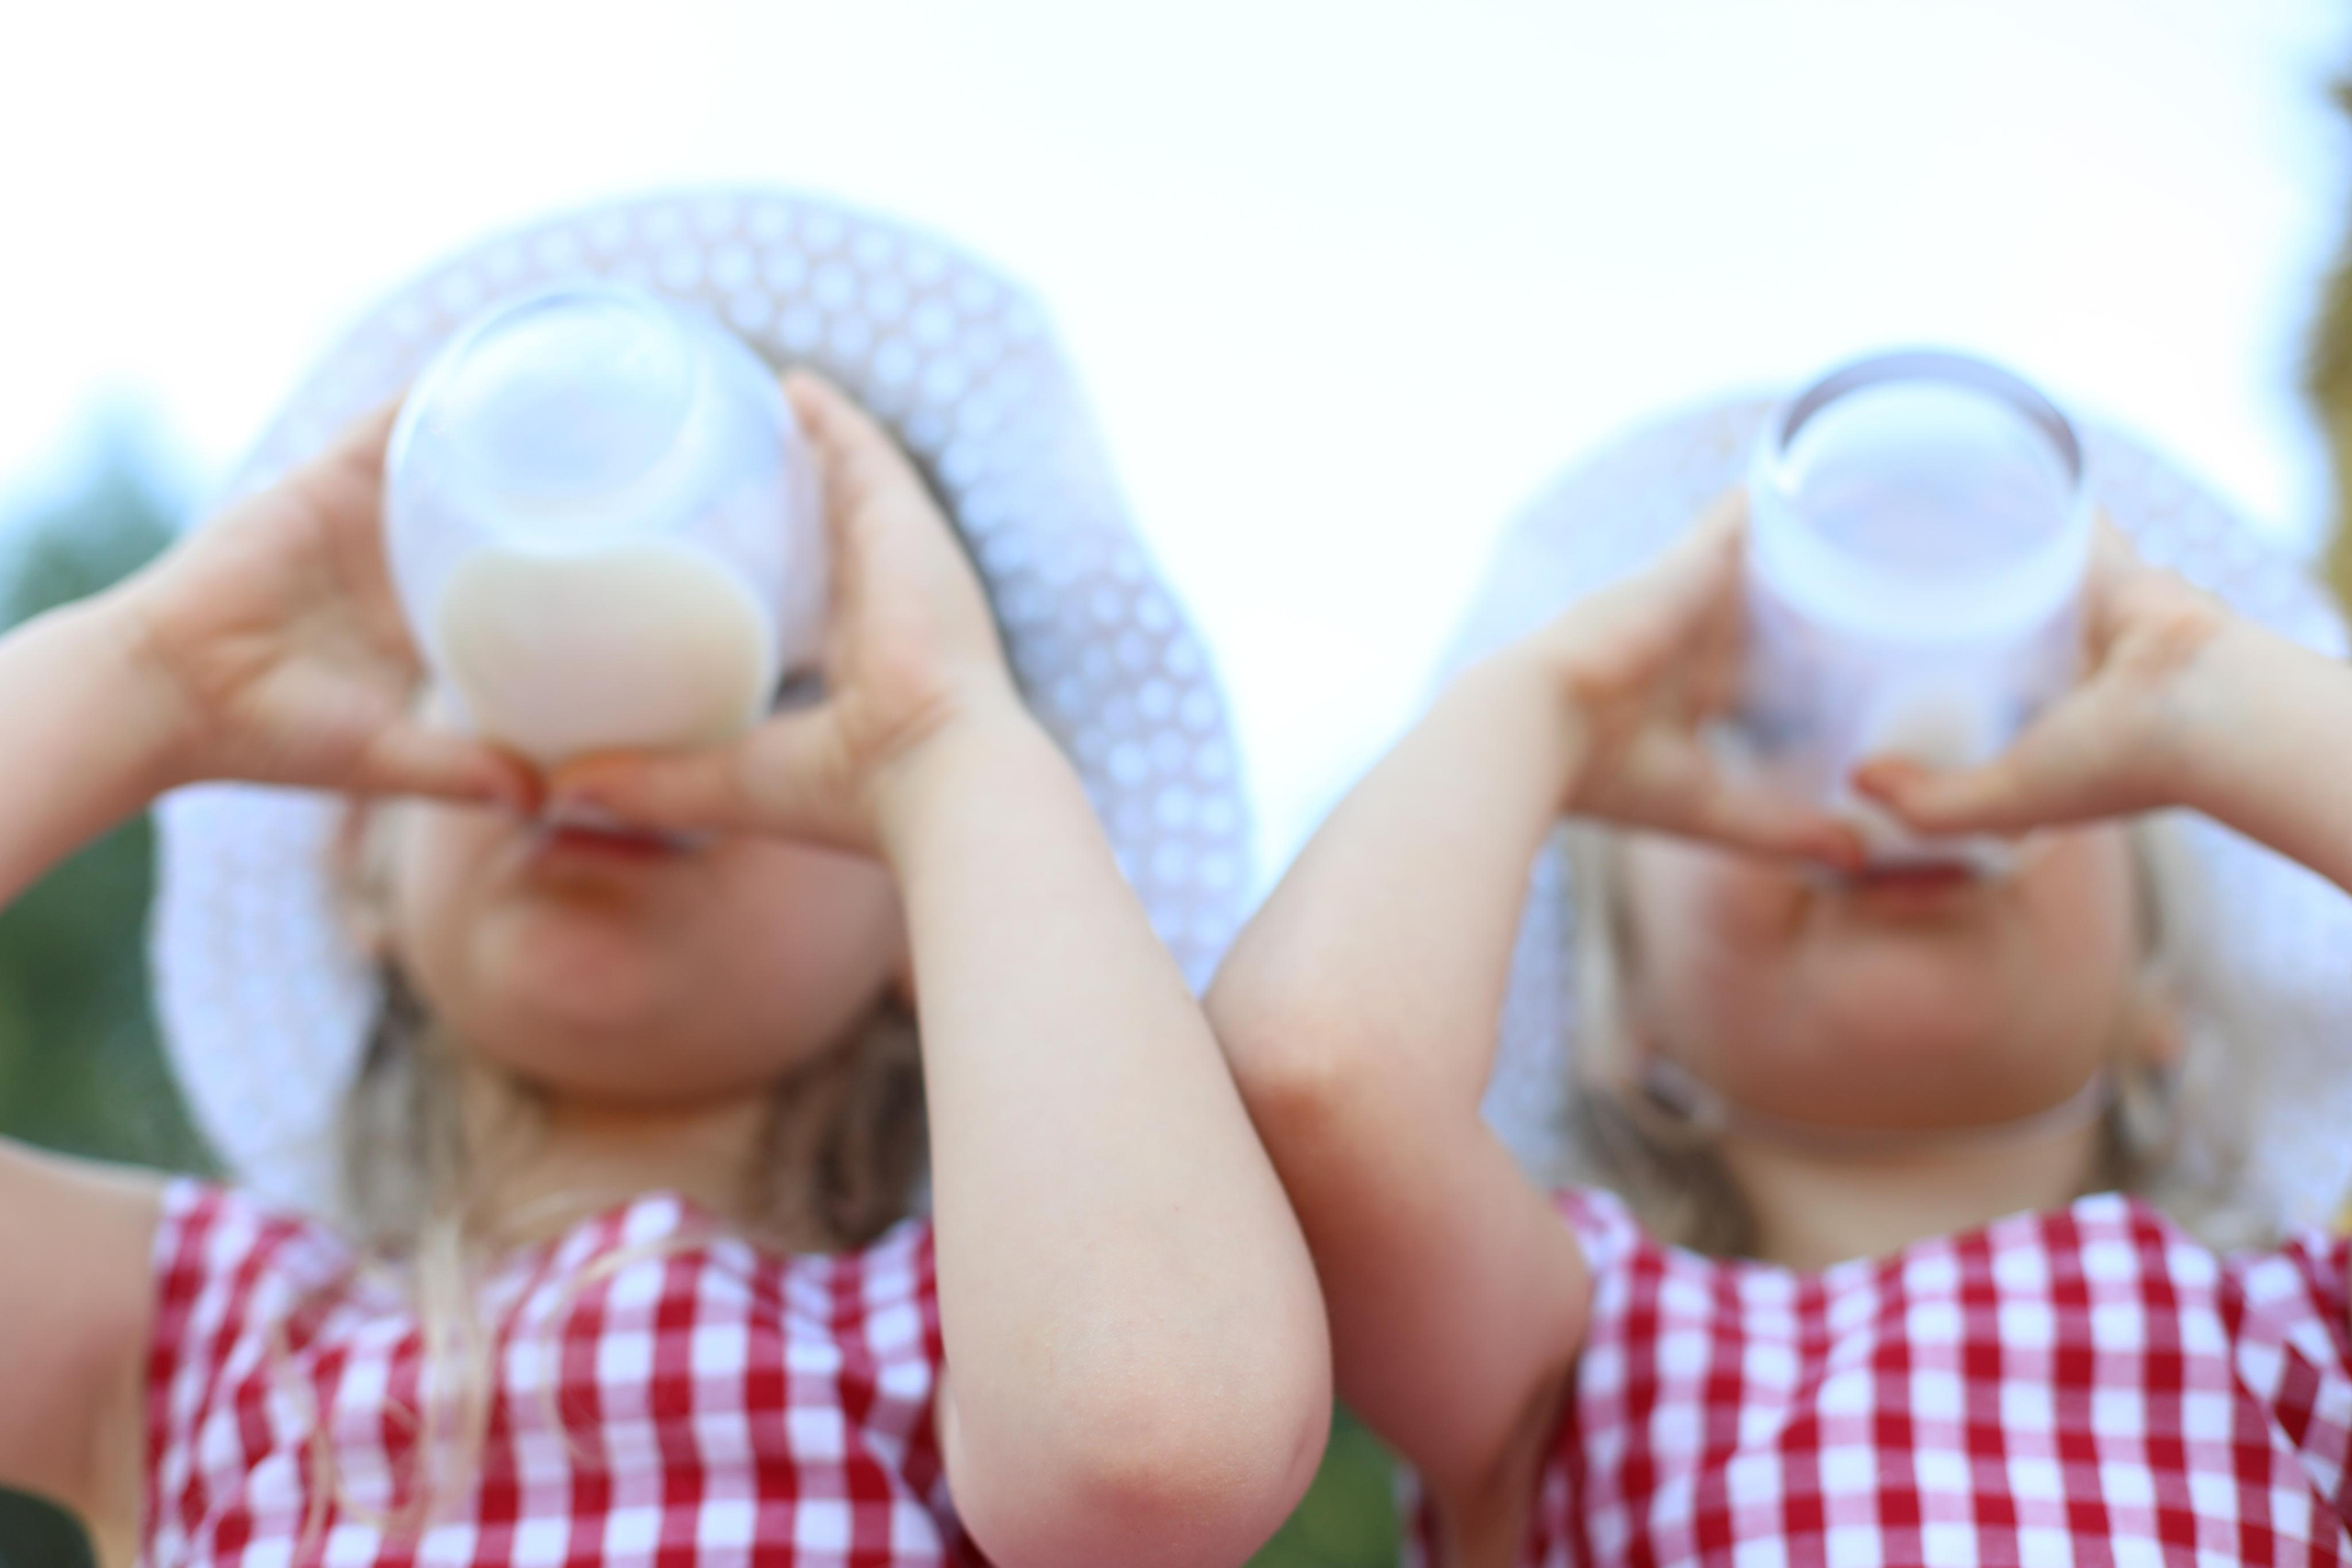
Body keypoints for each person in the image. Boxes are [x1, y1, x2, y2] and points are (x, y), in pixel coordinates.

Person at [0, 191, 1329, 1568]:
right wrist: (150, 674)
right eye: (503, 658)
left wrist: (945, 744)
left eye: (786, 683)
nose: (614, 729)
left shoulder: (984, 1348)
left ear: (934, 914)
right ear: (360, 860)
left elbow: (1158, 1456)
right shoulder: (196, 1336)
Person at [1208, 395, 2352, 1566]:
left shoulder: (2302, 1334)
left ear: (2165, 1006)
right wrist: (1556, 698)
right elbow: (1314, 1080)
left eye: (2017, 715)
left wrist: (2196, 681)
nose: (1890, 767)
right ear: (1619, 1020)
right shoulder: (1559, 1360)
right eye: (1767, 726)